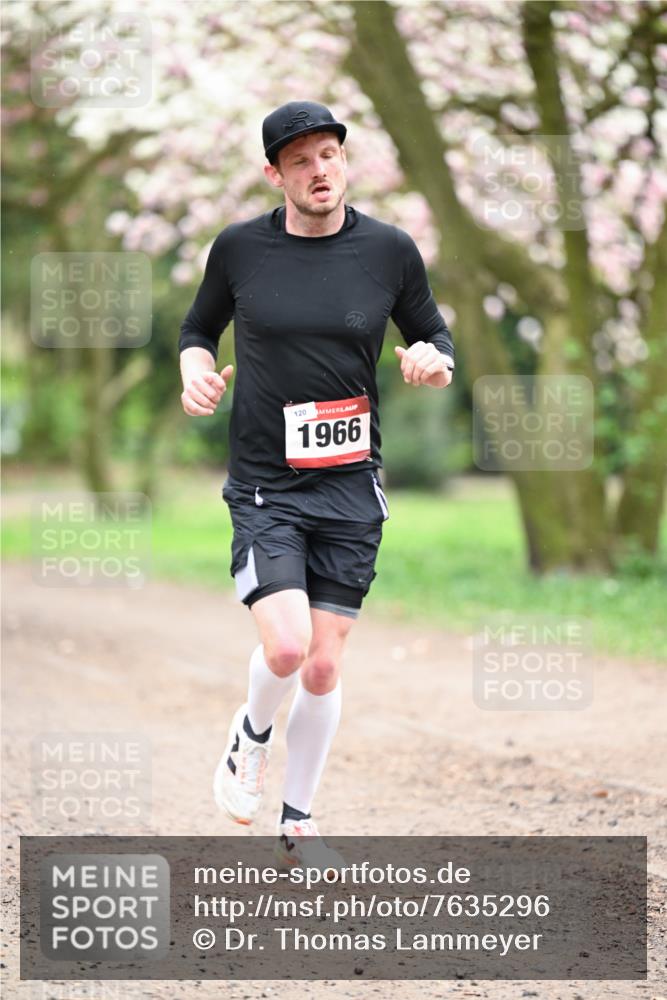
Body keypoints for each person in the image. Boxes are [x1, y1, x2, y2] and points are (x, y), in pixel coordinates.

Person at [179, 100, 454, 869]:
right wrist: (195, 372)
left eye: (328, 154)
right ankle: (249, 736)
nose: (318, 169)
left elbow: (431, 331)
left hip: (349, 484)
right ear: (275, 173)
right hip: (267, 483)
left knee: (326, 665)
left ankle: (298, 824)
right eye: (298, 160)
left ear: (344, 161)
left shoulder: (389, 251)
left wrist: (436, 360)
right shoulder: (239, 249)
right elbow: (197, 329)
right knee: (289, 647)